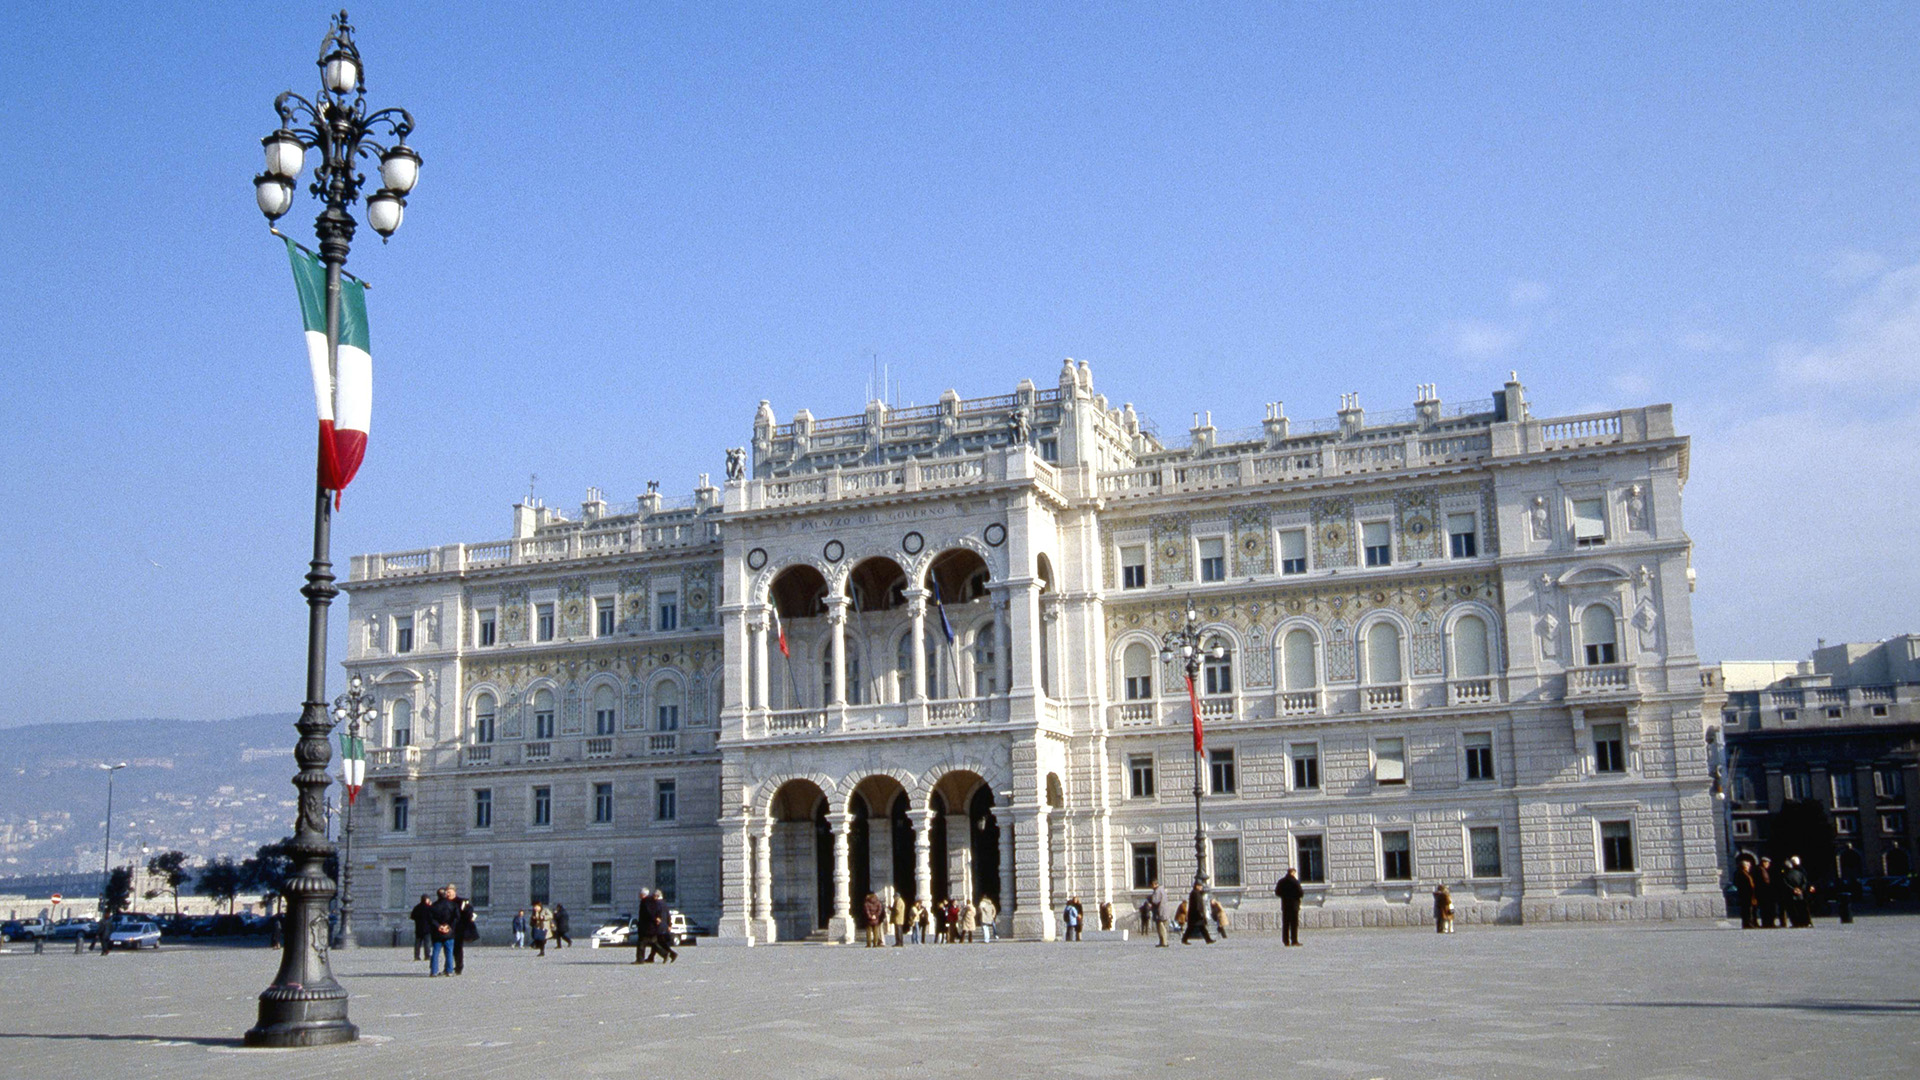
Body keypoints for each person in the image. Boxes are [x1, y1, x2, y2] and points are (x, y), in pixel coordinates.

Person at [428, 887, 461, 976]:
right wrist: (449, 927)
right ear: (446, 894)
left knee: (435, 952)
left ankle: (434, 971)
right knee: (449, 952)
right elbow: (456, 917)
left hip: (437, 932)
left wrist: (439, 926)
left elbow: (430, 919)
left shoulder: (433, 906)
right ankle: (449, 971)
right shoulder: (453, 905)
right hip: (449, 932)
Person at [645, 889, 678, 963]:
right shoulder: (664, 904)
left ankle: (671, 954)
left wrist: (656, 919)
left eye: (654, 896)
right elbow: (668, 915)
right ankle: (651, 957)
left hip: (658, 926)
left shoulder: (657, 903)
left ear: (657, 896)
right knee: (658, 941)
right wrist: (669, 924)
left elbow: (656, 914)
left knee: (655, 942)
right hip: (664, 926)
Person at [1782, 857, 1814, 928]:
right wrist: (1801, 889)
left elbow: (1785, 884)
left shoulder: (1785, 874)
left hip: (1791, 895)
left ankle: (1796, 923)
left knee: (1793, 910)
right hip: (1800, 894)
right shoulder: (1800, 873)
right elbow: (1804, 882)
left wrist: (1793, 889)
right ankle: (1806, 922)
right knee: (1802, 909)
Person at [1275, 868, 1303, 946]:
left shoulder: (1281, 881)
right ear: (1293, 873)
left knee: (1286, 924)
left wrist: (1284, 896)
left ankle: (1286, 941)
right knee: (1294, 924)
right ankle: (1294, 940)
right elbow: (1300, 893)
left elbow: (1277, 892)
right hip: (1294, 905)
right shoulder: (1295, 882)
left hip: (1285, 905)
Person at [1732, 855, 1758, 929]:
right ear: (1744, 866)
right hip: (1745, 894)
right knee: (1746, 909)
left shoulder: (1747, 873)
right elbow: (1737, 883)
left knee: (1750, 909)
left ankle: (1750, 923)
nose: (1749, 867)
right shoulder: (1740, 873)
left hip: (1750, 894)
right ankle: (1747, 923)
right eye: (1748, 865)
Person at [454, 890, 477, 974]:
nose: (448, 894)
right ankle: (448, 967)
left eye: (449, 892)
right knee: (449, 949)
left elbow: (469, 912)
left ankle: (459, 966)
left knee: (458, 949)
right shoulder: (446, 902)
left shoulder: (461, 902)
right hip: (449, 928)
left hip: (459, 929)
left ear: (454, 892)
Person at [632, 891, 658, 964]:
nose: (639, 895)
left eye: (640, 894)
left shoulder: (645, 902)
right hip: (651, 927)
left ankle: (640, 959)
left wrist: (654, 919)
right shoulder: (653, 901)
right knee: (653, 942)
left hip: (645, 927)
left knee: (641, 944)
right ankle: (665, 953)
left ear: (643, 894)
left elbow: (649, 913)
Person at [411, 894, 436, 961]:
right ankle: (427, 956)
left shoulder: (417, 907)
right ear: (427, 900)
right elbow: (432, 917)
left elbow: (412, 916)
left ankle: (416, 956)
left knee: (417, 943)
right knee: (427, 943)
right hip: (427, 928)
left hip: (418, 928)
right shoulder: (429, 908)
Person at [1756, 857, 1779, 928]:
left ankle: (1769, 923)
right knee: (1766, 909)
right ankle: (1767, 923)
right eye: (1767, 863)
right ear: (1764, 863)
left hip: (1766, 893)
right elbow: (1763, 882)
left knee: (1768, 909)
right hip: (1764, 893)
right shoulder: (1760, 870)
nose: (1768, 864)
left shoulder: (1764, 870)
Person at [1149, 880, 1169, 947]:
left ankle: (1164, 942)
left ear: (1155, 884)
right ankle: (1163, 941)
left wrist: (1150, 899)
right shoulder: (1162, 890)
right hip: (1164, 910)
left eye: (1152, 885)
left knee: (1161, 927)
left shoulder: (1157, 891)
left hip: (1159, 911)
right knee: (1164, 927)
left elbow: (1155, 901)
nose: (1151, 887)